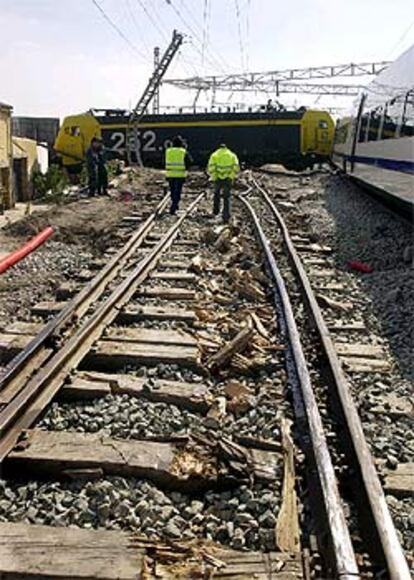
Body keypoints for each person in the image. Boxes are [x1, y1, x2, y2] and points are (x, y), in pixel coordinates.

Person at [207, 143, 240, 223]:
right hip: (228, 179)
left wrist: (215, 177)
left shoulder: (214, 155)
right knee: (227, 196)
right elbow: (236, 167)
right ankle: (226, 216)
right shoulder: (232, 155)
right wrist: (231, 176)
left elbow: (211, 167)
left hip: (217, 178)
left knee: (216, 195)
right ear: (226, 148)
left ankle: (216, 211)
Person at [165, 136, 192, 214]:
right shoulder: (183, 151)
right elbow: (189, 162)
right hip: (180, 174)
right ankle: (173, 206)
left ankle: (174, 204)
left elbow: (164, 162)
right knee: (177, 191)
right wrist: (186, 169)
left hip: (170, 174)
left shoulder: (168, 151)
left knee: (172, 191)